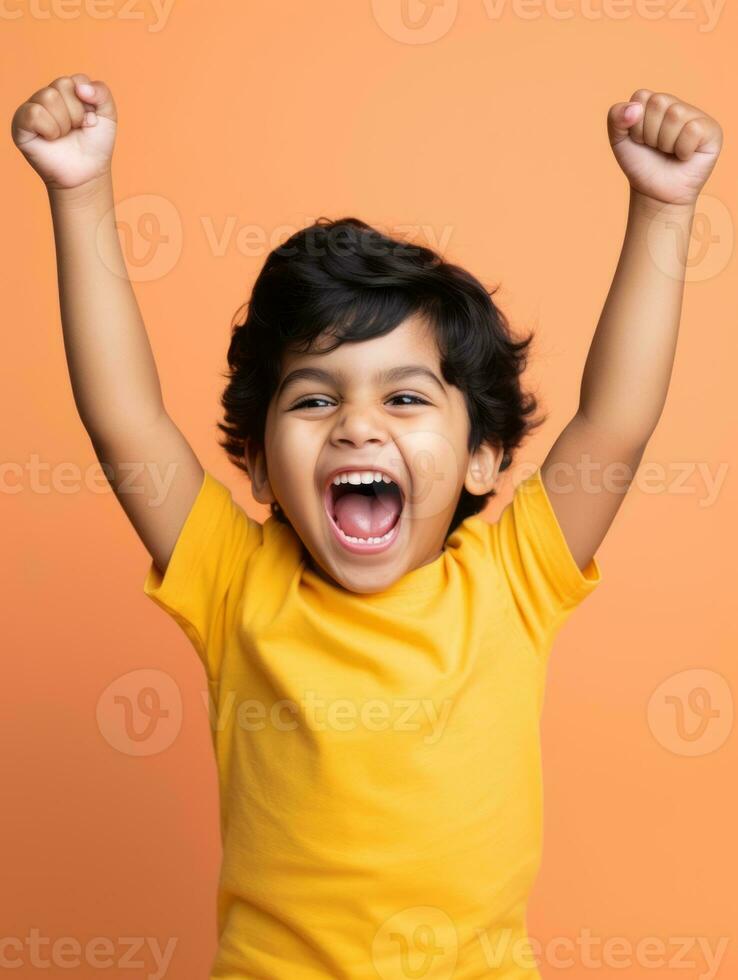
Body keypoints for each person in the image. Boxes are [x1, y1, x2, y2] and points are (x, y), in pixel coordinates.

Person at [12, 74, 722, 979]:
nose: (357, 423)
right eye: (314, 397)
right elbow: (125, 419)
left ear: (482, 457)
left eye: (405, 397)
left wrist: (664, 209)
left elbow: (615, 421)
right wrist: (77, 191)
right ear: (262, 465)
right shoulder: (236, 580)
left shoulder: (512, 578)